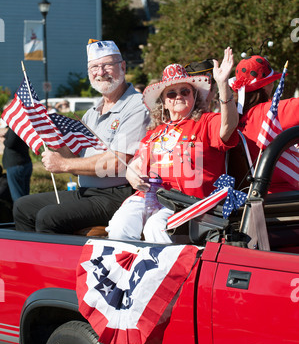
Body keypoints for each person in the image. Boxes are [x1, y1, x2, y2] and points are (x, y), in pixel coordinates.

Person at [13, 39, 150, 234]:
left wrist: (64, 164)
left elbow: (118, 163)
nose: (100, 72)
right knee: (23, 207)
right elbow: (78, 166)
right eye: (94, 67)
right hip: (87, 192)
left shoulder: (137, 105)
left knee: (48, 217)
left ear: (123, 66)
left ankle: (58, 264)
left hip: (119, 195)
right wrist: (56, 143)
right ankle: (28, 263)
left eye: (107, 65)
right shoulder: (92, 113)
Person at [107, 47, 239, 243]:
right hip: (147, 197)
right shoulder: (155, 132)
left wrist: (222, 85)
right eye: (171, 94)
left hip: (187, 203)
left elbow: (228, 126)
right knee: (119, 227)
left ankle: (166, 273)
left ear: (194, 97)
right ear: (164, 103)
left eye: (185, 91)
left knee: (157, 228)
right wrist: (133, 176)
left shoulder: (206, 122)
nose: (178, 96)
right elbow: (136, 164)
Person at [230, 54, 299, 193]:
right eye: (271, 81)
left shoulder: (231, 118)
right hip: (285, 198)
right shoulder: (270, 112)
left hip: (253, 195)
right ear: (266, 85)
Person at [2, 127, 32, 201]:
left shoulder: (15, 126)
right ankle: (27, 212)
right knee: (25, 196)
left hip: (15, 165)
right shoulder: (25, 126)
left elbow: (10, 143)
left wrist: (4, 140)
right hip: (25, 162)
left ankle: (21, 212)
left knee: (18, 197)